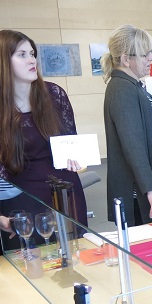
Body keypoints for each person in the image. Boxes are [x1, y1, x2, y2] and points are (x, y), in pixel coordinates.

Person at [0, 30, 88, 250]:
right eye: (21, 54)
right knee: (32, 273)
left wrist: (76, 158)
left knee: (75, 260)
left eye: (32, 53)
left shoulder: (54, 94)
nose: (32, 60)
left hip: (65, 192)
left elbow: (71, 142)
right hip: (22, 201)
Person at [102, 24, 152, 226]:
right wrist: (151, 190)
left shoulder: (130, 84)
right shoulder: (123, 89)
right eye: (145, 54)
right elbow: (133, 146)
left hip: (143, 186)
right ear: (126, 59)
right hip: (139, 193)